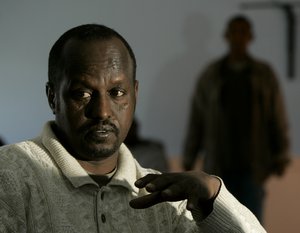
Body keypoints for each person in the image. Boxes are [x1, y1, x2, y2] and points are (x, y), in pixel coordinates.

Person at [0, 24, 266, 232]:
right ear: (52, 97)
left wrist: (213, 195)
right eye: (82, 94)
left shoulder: (163, 199)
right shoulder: (9, 174)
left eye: (117, 92)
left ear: (134, 94)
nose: (102, 111)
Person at [182, 15, 290, 222]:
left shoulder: (263, 74)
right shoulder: (212, 75)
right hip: (218, 165)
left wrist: (281, 154)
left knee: (251, 223)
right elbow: (198, 118)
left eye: (243, 32)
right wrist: (189, 155)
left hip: (253, 166)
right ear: (226, 35)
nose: (238, 37)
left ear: (250, 36)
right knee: (217, 221)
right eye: (234, 31)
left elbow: (277, 116)